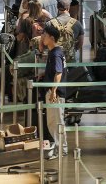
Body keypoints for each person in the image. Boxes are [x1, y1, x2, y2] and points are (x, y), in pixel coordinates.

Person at [34, 25, 63, 158]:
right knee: (52, 122)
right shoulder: (54, 52)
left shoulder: (56, 53)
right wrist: (45, 74)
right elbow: (54, 70)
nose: (42, 38)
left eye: (44, 35)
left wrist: (53, 91)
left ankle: (61, 149)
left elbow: (59, 73)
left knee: (55, 121)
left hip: (55, 93)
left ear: (52, 38)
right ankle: (59, 148)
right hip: (53, 91)